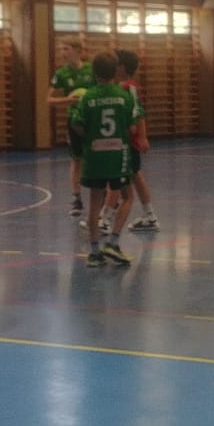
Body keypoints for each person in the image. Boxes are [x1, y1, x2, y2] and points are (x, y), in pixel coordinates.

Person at [70, 52, 142, 268]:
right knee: (127, 196)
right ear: (115, 71)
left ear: (94, 73)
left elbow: (76, 123)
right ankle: (113, 242)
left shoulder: (88, 97)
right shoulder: (123, 96)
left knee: (95, 203)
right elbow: (132, 128)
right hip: (117, 155)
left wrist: (90, 136)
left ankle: (94, 252)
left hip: (94, 156)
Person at [108, 47, 158, 232]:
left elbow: (139, 111)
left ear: (121, 67)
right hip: (123, 140)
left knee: (118, 178)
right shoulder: (118, 87)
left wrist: (142, 137)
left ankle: (105, 218)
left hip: (129, 142)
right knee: (135, 176)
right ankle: (149, 215)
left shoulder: (129, 87)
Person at [48, 39, 95, 219]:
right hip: (74, 120)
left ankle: (103, 195)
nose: (63, 53)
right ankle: (76, 198)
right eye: (61, 49)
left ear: (78, 51)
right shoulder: (61, 74)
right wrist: (67, 100)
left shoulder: (91, 69)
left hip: (93, 120)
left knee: (95, 157)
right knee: (76, 159)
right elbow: (49, 99)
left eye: (66, 49)